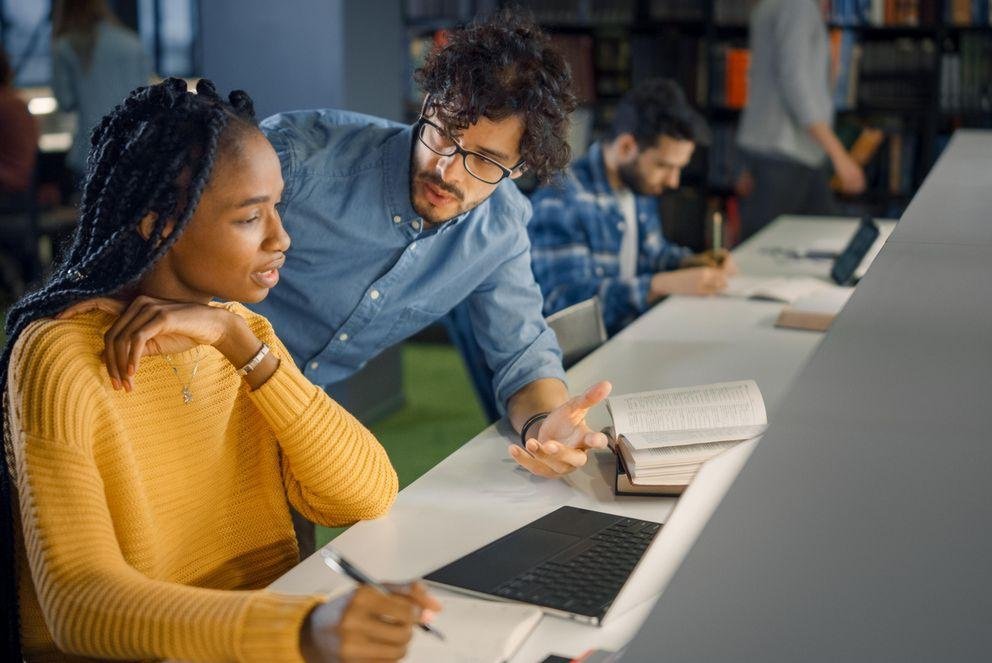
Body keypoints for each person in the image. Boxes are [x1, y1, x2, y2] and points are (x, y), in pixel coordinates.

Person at [0, 78, 439, 663]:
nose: (281, 239)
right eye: (250, 218)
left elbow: (367, 494)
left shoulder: (239, 332)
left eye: (277, 208)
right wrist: (302, 629)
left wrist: (239, 343)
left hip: (257, 633)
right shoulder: (59, 358)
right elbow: (78, 601)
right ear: (157, 224)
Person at [251, 11, 612, 487]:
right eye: (444, 132)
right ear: (427, 103)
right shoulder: (299, 156)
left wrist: (544, 425)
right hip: (176, 379)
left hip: (287, 416)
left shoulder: (500, 229)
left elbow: (522, 355)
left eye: (484, 160)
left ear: (519, 169)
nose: (447, 170)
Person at [528, 79, 735, 337]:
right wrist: (659, 285)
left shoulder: (637, 185)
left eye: (679, 168)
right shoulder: (559, 201)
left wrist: (688, 262)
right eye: (663, 166)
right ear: (627, 147)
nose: (673, 181)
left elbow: (650, 253)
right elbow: (567, 305)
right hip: (588, 357)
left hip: (634, 335)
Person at [736, 0, 866, 241]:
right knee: (760, 249)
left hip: (787, 151)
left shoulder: (771, 6)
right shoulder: (797, 6)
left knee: (824, 238)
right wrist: (839, 155)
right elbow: (796, 85)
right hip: (786, 151)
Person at [51, 0, 152, 179]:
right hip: (134, 147)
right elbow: (146, 95)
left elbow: (65, 102)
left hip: (90, 149)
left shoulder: (65, 46)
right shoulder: (131, 42)